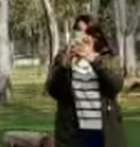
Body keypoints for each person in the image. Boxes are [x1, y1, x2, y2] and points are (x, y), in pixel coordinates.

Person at [46, 17, 126, 147]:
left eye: (88, 32)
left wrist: (94, 61)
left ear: (96, 35)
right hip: (72, 132)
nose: (83, 36)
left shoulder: (107, 58)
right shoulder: (63, 57)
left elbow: (116, 86)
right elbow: (53, 90)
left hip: (101, 130)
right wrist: (64, 66)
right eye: (78, 31)